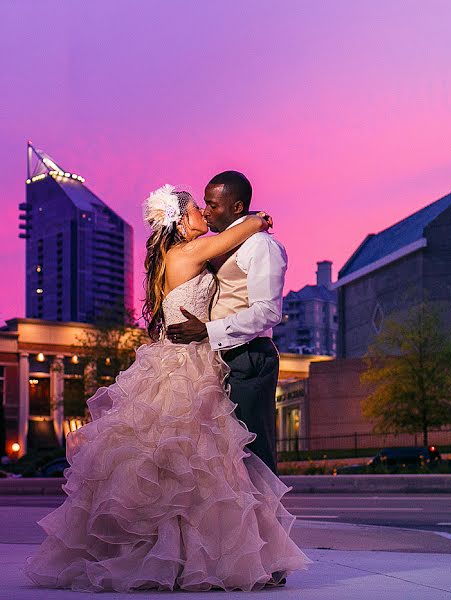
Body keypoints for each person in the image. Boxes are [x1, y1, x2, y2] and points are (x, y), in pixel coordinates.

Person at [23, 185, 310, 592]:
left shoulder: (178, 255)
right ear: (179, 220)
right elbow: (233, 234)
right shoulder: (188, 253)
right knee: (196, 464)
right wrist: (258, 218)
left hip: (191, 357)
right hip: (188, 363)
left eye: (209, 206)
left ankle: (187, 555)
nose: (204, 214)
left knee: (189, 465)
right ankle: (188, 557)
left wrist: (251, 222)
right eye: (198, 208)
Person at [165, 171, 285, 475]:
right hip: (220, 359)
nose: (205, 211)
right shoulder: (223, 243)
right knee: (226, 462)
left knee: (253, 458)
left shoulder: (261, 246)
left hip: (250, 356)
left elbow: (267, 312)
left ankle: (264, 522)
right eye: (204, 205)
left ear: (236, 207)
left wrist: (207, 330)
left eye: (212, 205)